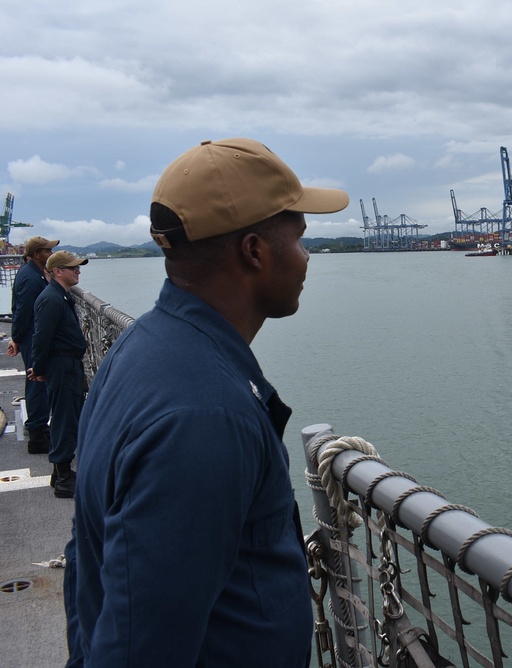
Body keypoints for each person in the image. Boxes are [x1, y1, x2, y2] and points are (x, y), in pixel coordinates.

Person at [69, 138, 349, 667]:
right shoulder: (206, 416)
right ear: (255, 251)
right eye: (301, 239)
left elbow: (85, 558)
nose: (308, 257)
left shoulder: (139, 348)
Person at [29, 249, 89, 499]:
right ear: (57, 271)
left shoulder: (59, 296)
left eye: (78, 267)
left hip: (67, 365)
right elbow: (41, 337)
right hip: (61, 366)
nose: (78, 271)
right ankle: (64, 479)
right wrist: (39, 368)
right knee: (65, 421)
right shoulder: (52, 299)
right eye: (73, 267)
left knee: (68, 418)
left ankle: (59, 473)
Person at [7, 236, 58, 454]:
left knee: (36, 381)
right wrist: (17, 338)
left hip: (28, 336)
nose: (51, 253)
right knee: (38, 381)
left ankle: (37, 428)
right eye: (47, 250)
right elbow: (23, 311)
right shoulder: (32, 279)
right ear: (37, 254)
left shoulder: (29, 272)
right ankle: (38, 435)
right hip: (32, 337)